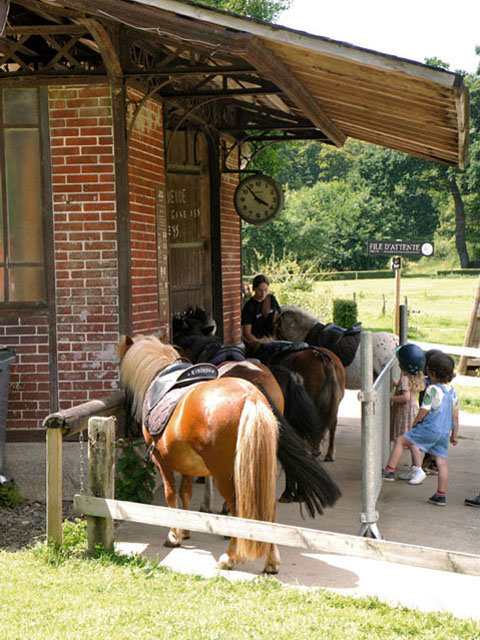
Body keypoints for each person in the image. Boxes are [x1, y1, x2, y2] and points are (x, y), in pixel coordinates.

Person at [382, 352, 459, 507]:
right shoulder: (453, 394)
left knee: (401, 440)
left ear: (431, 373)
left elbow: (424, 410)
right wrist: (454, 435)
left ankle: (389, 471)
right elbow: (455, 417)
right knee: (441, 462)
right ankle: (441, 495)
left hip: (430, 428)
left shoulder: (432, 390)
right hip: (444, 433)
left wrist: (415, 423)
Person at [389, 344, 426, 485]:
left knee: (410, 442)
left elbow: (405, 397)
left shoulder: (405, 379)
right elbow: (408, 391)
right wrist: (396, 384)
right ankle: (414, 469)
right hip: (412, 410)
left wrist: (390, 397)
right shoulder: (415, 376)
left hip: (405, 412)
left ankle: (418, 469)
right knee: (411, 441)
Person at [241, 274, 280, 344]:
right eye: (260, 291)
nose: (263, 294)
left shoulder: (271, 299)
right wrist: (260, 342)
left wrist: (274, 337)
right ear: (254, 289)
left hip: (273, 340)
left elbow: (277, 320)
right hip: (258, 342)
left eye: (266, 290)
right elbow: (247, 333)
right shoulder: (249, 307)